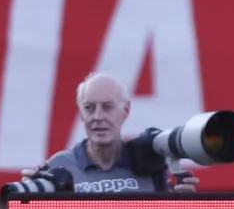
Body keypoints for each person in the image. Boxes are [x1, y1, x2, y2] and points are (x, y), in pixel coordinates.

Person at [18, 73, 199, 193]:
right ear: (81, 114)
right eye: (89, 108)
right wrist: (31, 205)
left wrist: (180, 208)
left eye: (107, 107)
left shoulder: (150, 165)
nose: (98, 116)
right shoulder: (59, 166)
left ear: (126, 110)